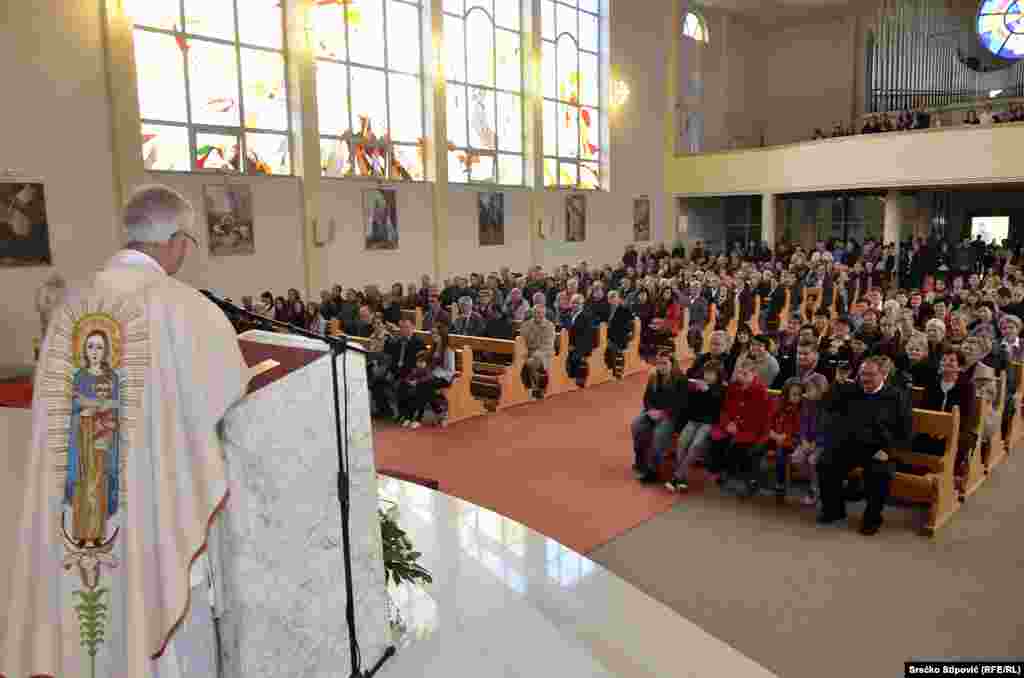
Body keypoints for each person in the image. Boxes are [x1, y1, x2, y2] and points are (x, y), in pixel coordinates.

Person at [2, 185, 250, 677]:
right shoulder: (186, 308)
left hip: (87, 504)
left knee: (99, 619)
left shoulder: (71, 305)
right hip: (158, 509)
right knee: (168, 635)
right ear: (176, 240)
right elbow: (229, 407)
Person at [816, 356, 913, 535]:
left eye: (870, 375)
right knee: (825, 463)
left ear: (883, 375)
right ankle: (834, 509)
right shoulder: (851, 389)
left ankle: (872, 518)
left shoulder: (897, 396)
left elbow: (906, 432)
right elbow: (827, 405)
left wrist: (888, 451)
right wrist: (837, 383)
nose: (865, 379)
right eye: (862, 374)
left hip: (879, 449)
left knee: (880, 473)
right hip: (850, 445)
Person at [705, 361, 774, 494]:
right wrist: (728, 423)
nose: (740, 376)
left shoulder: (761, 391)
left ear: (754, 374)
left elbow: (762, 418)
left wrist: (739, 426)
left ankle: (742, 479)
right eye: (739, 373)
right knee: (716, 439)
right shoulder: (733, 387)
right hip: (731, 426)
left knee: (740, 447)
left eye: (745, 374)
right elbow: (724, 409)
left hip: (750, 430)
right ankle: (721, 472)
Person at [666, 359, 726, 492]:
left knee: (695, 445)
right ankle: (682, 478)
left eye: (711, 374)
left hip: (708, 423)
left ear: (718, 375)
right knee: (681, 443)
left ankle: (676, 477)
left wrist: (708, 391)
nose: (707, 376)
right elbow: (690, 406)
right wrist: (695, 391)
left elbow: (717, 409)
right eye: (706, 373)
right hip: (693, 420)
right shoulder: (697, 384)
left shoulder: (721, 388)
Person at [630, 351, 688, 483]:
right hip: (653, 412)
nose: (661, 366)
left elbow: (682, 404)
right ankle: (640, 461)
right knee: (636, 426)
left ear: (672, 364)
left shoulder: (681, 380)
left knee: (658, 435)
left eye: (664, 363)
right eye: (659, 363)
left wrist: (663, 413)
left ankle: (653, 471)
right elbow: (647, 398)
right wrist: (650, 410)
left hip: (671, 416)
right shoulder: (653, 377)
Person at [519, 299, 557, 399]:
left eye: (540, 313)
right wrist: (523, 353)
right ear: (532, 313)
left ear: (544, 314)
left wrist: (535, 354)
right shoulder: (526, 324)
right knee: (518, 361)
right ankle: (522, 389)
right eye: (536, 312)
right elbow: (522, 341)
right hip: (528, 352)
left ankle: (535, 388)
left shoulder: (550, 326)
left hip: (545, 354)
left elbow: (547, 345)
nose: (538, 315)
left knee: (531, 362)